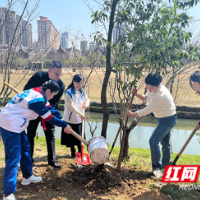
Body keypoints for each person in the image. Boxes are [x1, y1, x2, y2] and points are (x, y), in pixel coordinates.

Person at [0, 80, 71, 200]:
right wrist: (64, 126)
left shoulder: (38, 93)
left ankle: (27, 177)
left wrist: (64, 121)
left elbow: (52, 110)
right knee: (13, 158)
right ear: (48, 91)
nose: (52, 97)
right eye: (52, 95)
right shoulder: (37, 99)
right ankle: (8, 193)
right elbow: (48, 117)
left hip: (18, 124)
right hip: (10, 124)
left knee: (26, 149)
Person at [125, 73, 177, 177]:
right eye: (147, 86)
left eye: (151, 87)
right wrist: (136, 94)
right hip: (165, 119)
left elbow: (148, 109)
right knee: (165, 144)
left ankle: (156, 170)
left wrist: (133, 114)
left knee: (153, 141)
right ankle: (166, 167)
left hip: (167, 120)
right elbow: (145, 98)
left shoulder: (160, 95)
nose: (149, 89)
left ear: (158, 85)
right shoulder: (153, 89)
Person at [24, 61, 65, 168]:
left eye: (60, 74)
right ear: (49, 71)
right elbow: (26, 91)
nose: (59, 76)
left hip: (48, 111)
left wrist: (48, 112)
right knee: (30, 134)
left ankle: (52, 160)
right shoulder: (38, 76)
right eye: (56, 74)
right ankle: (30, 160)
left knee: (51, 134)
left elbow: (56, 103)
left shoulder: (60, 85)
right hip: (34, 111)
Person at [61, 74, 90, 158]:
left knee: (80, 138)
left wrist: (86, 104)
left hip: (79, 119)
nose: (79, 85)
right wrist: (81, 114)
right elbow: (71, 107)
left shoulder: (81, 91)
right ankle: (72, 152)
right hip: (70, 119)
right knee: (70, 138)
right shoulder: (68, 93)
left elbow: (87, 99)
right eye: (77, 82)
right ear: (73, 81)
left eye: (81, 83)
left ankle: (80, 152)